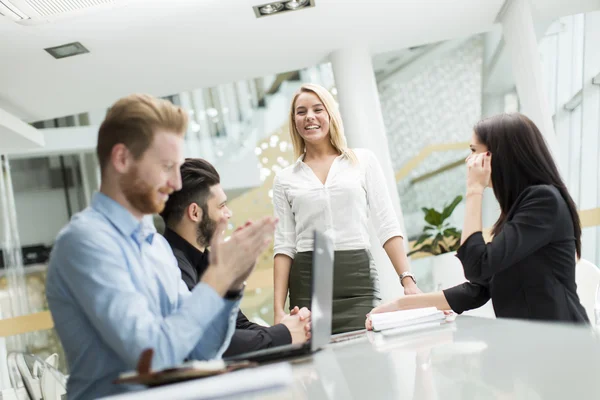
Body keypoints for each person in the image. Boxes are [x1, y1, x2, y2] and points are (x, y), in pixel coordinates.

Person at [46, 94, 277, 400]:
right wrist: (216, 280)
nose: (176, 184)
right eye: (167, 166)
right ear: (122, 159)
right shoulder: (85, 243)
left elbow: (202, 350)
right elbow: (151, 357)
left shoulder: (156, 246)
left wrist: (230, 286)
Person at [367, 112, 589, 326]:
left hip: (561, 343)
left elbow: (477, 266)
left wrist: (474, 190)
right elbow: (479, 288)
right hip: (530, 343)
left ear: (498, 156)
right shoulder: (519, 210)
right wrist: (401, 304)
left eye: (474, 151)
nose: (469, 160)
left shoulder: (543, 201)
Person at [272, 83, 421, 334]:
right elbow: (284, 244)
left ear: (330, 114)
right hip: (309, 281)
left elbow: (386, 224)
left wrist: (408, 280)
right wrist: (278, 308)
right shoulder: (285, 179)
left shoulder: (362, 161)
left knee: (367, 357)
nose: (309, 116)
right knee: (319, 365)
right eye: (301, 111)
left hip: (358, 277)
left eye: (318, 109)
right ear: (294, 121)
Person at [159, 158, 311, 357]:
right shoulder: (170, 265)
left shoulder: (205, 261)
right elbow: (212, 341)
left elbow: (239, 326)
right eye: (221, 206)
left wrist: (294, 329)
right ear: (195, 212)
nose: (228, 214)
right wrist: (283, 334)